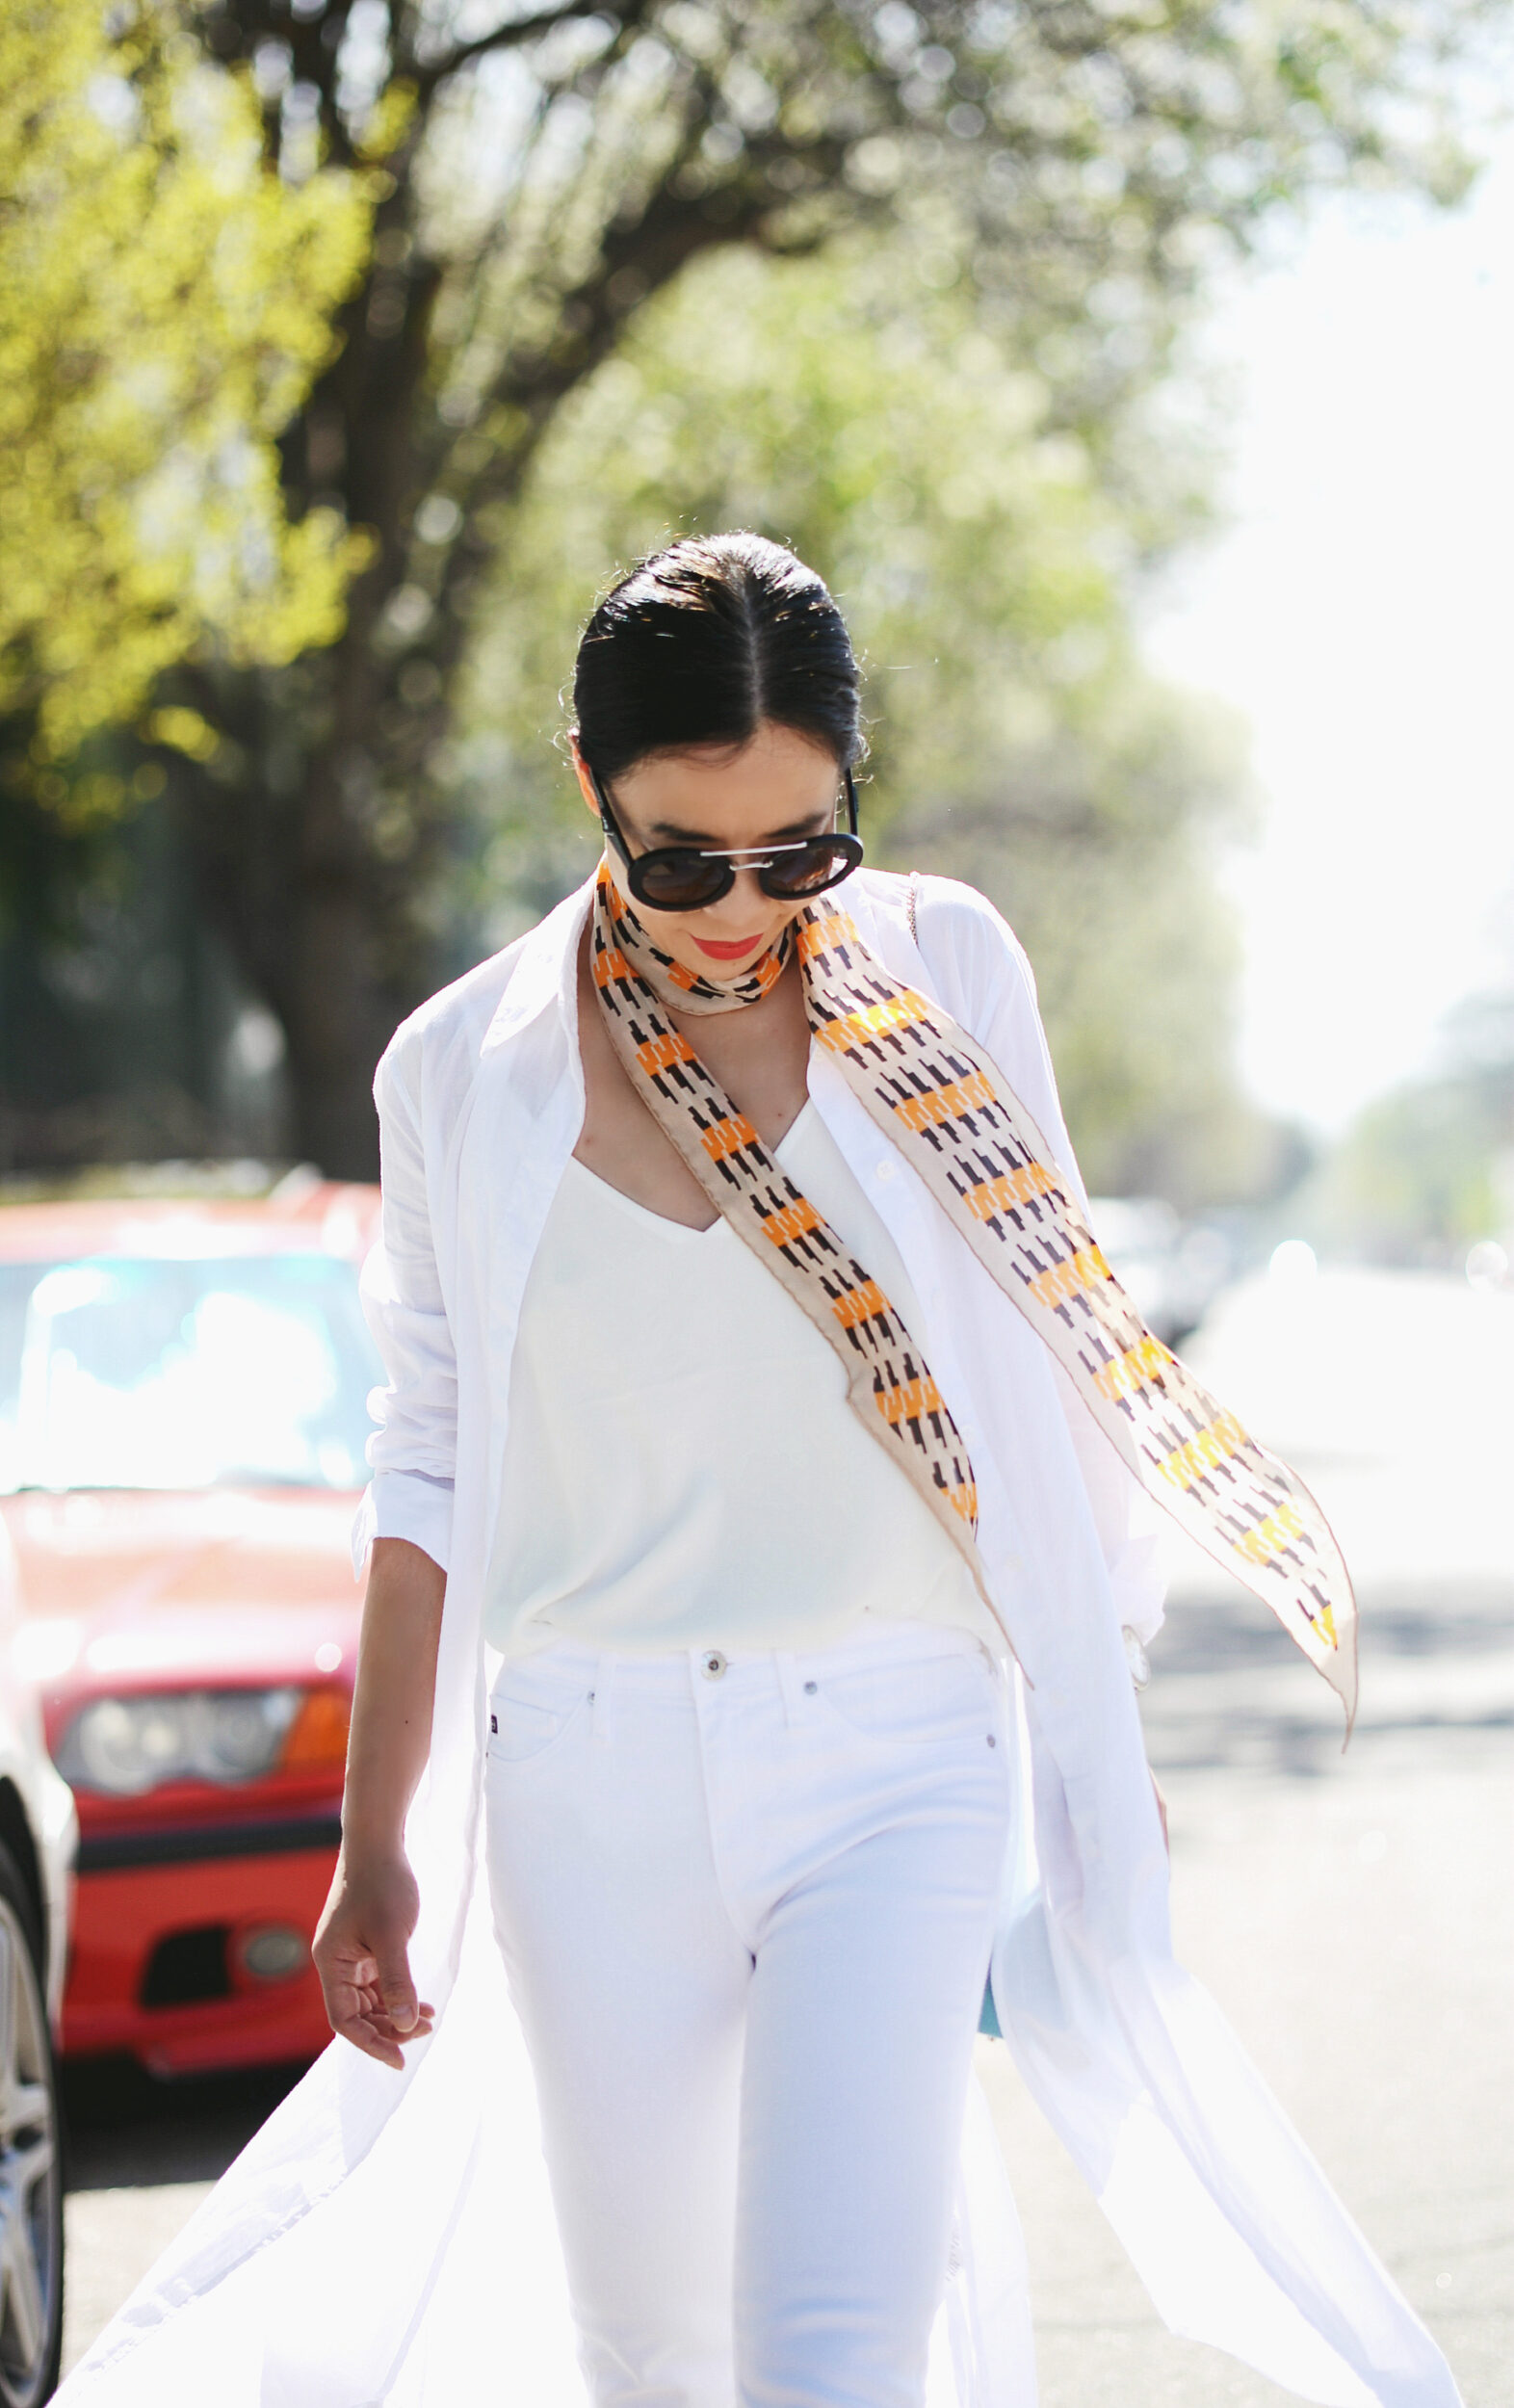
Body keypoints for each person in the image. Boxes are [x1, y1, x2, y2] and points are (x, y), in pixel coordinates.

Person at [58, 534, 1461, 2408]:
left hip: (894, 1756)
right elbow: (429, 1461)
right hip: (583, 1780)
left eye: (803, 847)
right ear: (590, 791)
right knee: (648, 2357)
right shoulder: (460, 1067)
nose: (742, 908)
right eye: (681, 855)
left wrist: (1081, 1685)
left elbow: (1060, 1343)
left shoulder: (940, 965)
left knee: (830, 2358)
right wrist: (367, 1837)